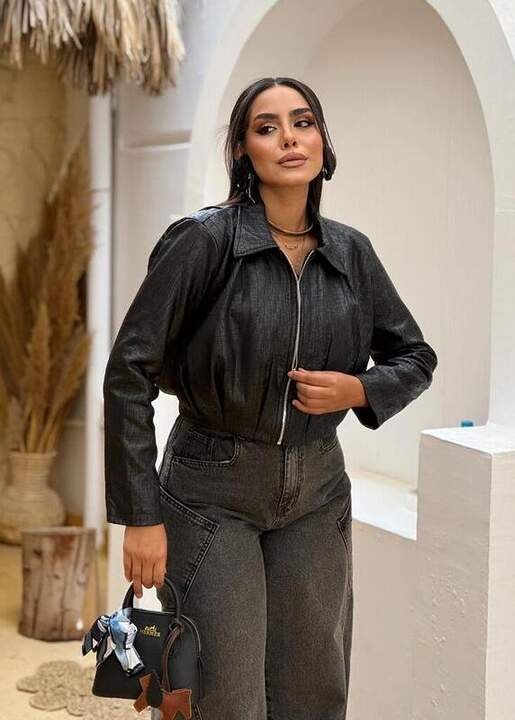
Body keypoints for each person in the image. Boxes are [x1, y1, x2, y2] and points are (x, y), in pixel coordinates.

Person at [102, 76, 438, 720]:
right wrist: (140, 514)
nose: (289, 138)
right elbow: (129, 371)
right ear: (242, 151)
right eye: (267, 127)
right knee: (225, 697)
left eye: (303, 122)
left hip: (318, 491)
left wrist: (358, 389)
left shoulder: (351, 253)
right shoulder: (204, 242)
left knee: (314, 691)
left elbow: (415, 357)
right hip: (211, 487)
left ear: (322, 143)